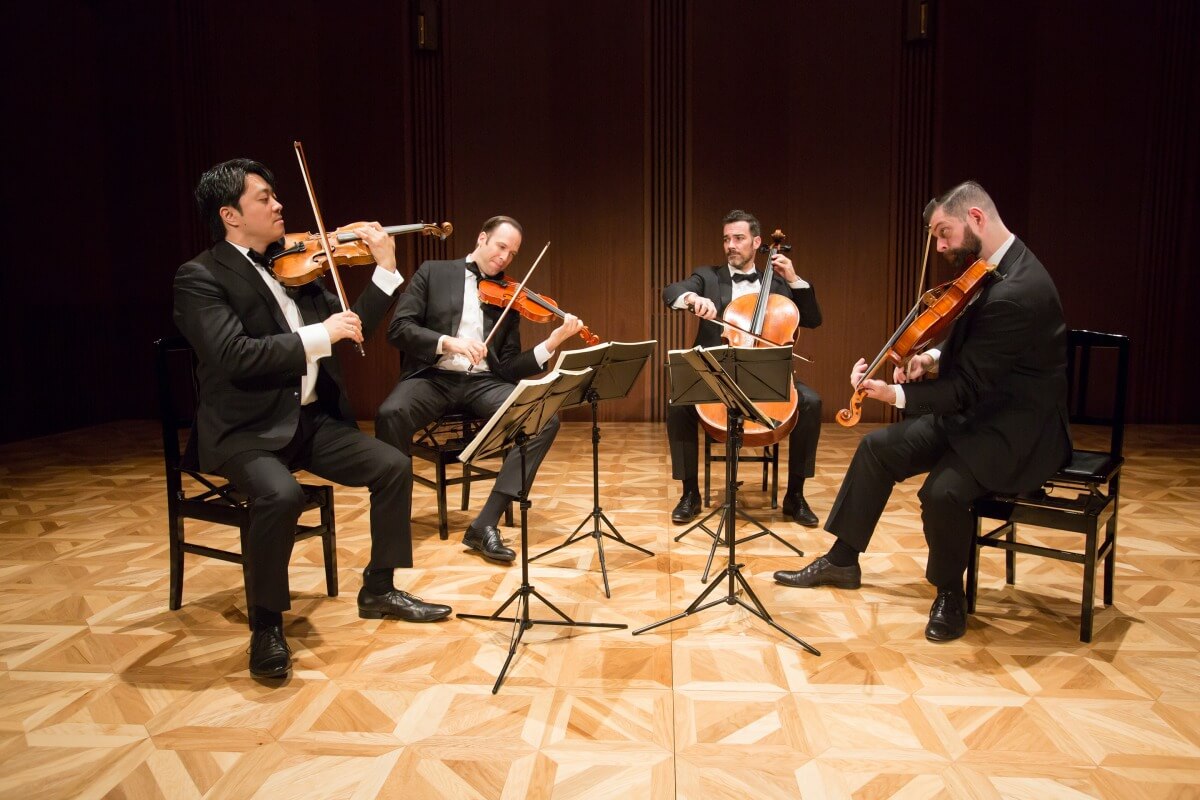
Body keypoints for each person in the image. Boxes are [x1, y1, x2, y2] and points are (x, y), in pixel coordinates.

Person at [173, 158, 452, 679]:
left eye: (276, 195)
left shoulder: (292, 267)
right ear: (230, 215)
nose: (279, 205)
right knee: (281, 494)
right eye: (264, 198)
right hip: (245, 431)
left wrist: (386, 273)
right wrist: (321, 334)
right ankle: (266, 624)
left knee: (392, 465)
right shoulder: (199, 277)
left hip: (308, 422)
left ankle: (380, 587)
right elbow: (235, 354)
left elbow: (352, 326)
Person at [773, 181, 1071, 642]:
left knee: (942, 493)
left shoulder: (1020, 289)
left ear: (975, 218)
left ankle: (950, 594)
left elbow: (968, 388)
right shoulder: (995, 265)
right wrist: (929, 358)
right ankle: (843, 559)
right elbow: (974, 344)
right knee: (876, 449)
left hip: (1013, 430)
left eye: (944, 232)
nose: (940, 245)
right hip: (976, 415)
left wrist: (895, 397)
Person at [376, 216, 583, 563]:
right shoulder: (433, 272)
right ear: (482, 238)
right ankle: (391, 524)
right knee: (389, 414)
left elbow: (508, 366)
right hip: (433, 377)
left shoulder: (511, 296)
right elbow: (399, 329)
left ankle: (485, 524)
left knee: (543, 418)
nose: (504, 258)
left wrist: (552, 342)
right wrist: (449, 343)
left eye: (512, 253)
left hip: (483, 383)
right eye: (501, 246)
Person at [662, 209, 824, 526]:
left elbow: (813, 320)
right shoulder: (707, 277)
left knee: (812, 403)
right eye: (726, 239)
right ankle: (689, 493)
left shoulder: (778, 284)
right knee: (678, 402)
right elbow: (671, 293)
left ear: (757, 242)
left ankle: (796, 495)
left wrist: (794, 279)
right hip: (718, 376)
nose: (731, 245)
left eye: (738, 238)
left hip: (766, 374)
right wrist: (693, 299)